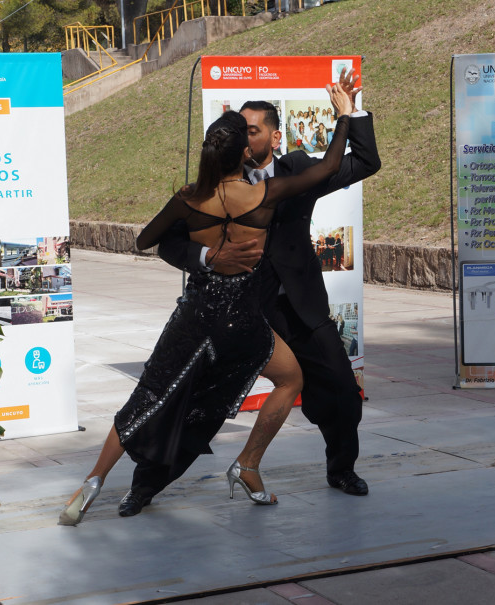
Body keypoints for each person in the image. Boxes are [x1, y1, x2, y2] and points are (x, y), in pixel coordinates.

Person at [58, 84, 355, 526]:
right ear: (241, 155)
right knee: (291, 380)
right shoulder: (263, 195)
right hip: (242, 322)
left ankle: (94, 481)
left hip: (195, 316)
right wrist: (345, 114)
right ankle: (248, 463)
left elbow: (144, 240)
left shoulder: (188, 198)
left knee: (147, 398)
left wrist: (205, 256)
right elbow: (331, 164)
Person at [145, 67, 381, 516]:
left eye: (252, 131)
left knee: (342, 393)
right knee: (196, 404)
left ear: (274, 138)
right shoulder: (210, 188)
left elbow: (364, 163)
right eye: (239, 130)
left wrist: (353, 114)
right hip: (239, 313)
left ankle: (341, 468)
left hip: (301, 308)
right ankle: (147, 485)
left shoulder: (298, 171)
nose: (244, 138)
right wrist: (206, 259)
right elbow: (169, 241)